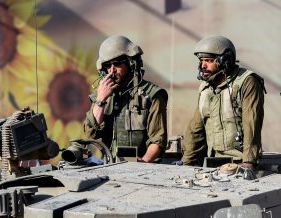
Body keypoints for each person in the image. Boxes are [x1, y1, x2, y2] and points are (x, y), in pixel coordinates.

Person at [181, 35, 265, 169]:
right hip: (211, 163)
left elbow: (251, 124)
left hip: (238, 163)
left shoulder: (246, 82)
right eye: (201, 60)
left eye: (208, 60)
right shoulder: (205, 87)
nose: (203, 65)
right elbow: (196, 128)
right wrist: (186, 161)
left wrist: (248, 162)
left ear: (224, 61)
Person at [84, 35, 168, 162]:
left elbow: (158, 140)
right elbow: (90, 135)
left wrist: (142, 164)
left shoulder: (151, 95)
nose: (111, 70)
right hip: (108, 166)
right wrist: (100, 100)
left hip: (142, 168)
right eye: (107, 65)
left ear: (131, 63)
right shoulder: (102, 95)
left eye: (117, 64)